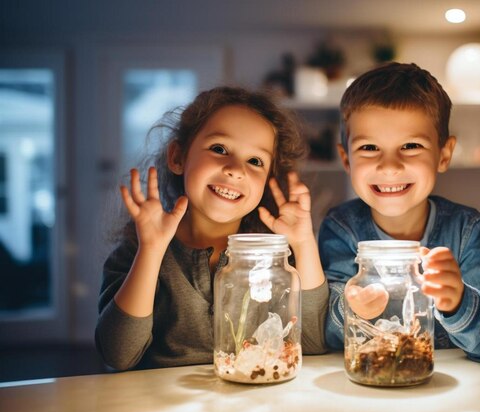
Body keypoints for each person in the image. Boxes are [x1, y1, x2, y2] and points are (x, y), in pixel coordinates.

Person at [96, 86, 328, 371]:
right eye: (219, 149)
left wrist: (304, 243)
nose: (235, 169)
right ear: (178, 158)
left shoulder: (277, 256)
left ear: (269, 178)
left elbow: (314, 344)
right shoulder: (138, 249)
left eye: (255, 161)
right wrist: (152, 251)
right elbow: (117, 355)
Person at [319, 62, 480, 362]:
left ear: (444, 154)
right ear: (346, 160)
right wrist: (352, 306)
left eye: (410, 146)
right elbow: (326, 334)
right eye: (370, 148)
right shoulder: (341, 228)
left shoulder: (467, 231)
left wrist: (458, 302)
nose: (390, 166)